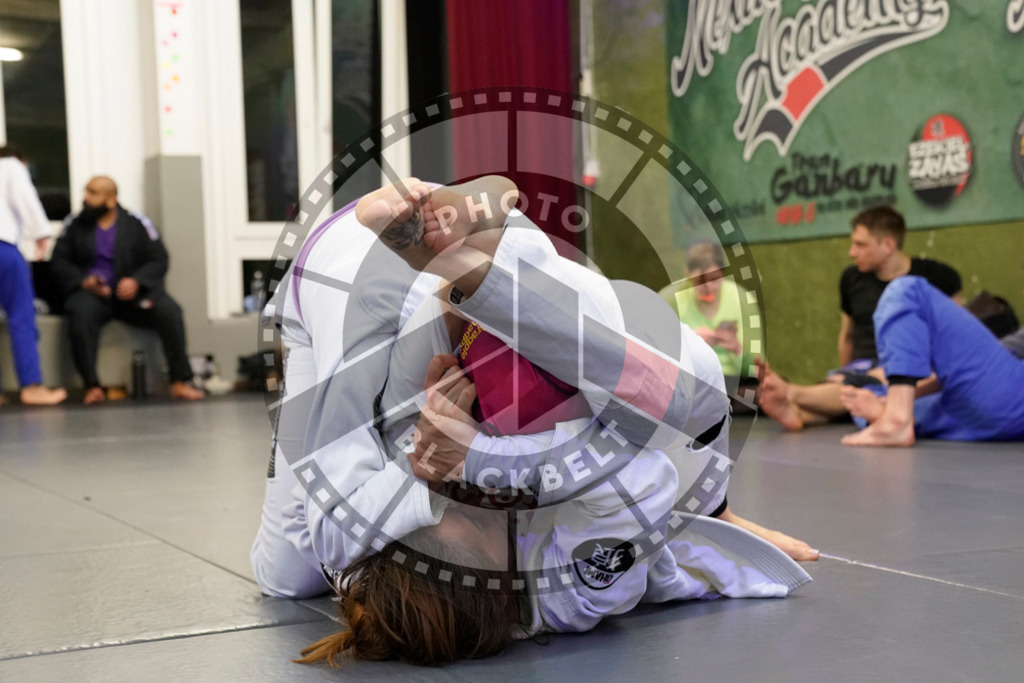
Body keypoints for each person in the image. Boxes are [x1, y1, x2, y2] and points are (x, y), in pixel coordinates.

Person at [251, 177, 812, 665]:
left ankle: (468, 264)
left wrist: (419, 470)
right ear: (503, 588)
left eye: (444, 503)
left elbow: (336, 524)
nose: (466, 496)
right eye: (471, 515)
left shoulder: (348, 538)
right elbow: (639, 469)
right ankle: (471, 266)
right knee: (685, 397)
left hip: (347, 275)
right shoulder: (577, 594)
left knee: (288, 577)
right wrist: (480, 462)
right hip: (471, 263)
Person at [758, 206, 961, 431]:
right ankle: (801, 414)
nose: (852, 252)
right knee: (850, 384)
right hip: (862, 366)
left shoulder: (937, 277)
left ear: (889, 245)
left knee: (871, 382)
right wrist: (846, 373)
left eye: (861, 245)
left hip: (908, 366)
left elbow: (958, 335)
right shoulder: (851, 279)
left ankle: (793, 394)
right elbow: (848, 336)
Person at [48, 176, 204, 404]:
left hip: (131, 296)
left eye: (93, 193)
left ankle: (180, 381)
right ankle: (92, 386)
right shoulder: (75, 224)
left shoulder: (137, 223)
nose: (86, 198)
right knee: (80, 312)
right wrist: (84, 281)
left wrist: (137, 281)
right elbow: (59, 262)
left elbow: (159, 259)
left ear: (111, 200)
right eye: (86, 192)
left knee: (169, 310)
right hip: (94, 296)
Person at [839, 276, 1024, 447]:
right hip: (1006, 415)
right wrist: (896, 398)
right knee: (874, 395)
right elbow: (978, 371)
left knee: (908, 291)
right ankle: (891, 412)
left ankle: (895, 418)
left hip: (1010, 399)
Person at [0, 145, 67, 406]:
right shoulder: (11, 166)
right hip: (3, 248)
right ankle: (31, 386)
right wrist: (41, 232)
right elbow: (24, 197)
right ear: (22, 161)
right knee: (21, 315)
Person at [659, 240, 754, 379]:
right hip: (687, 381)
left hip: (732, 381)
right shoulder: (669, 300)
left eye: (715, 280)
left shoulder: (742, 300)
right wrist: (688, 343)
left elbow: (758, 370)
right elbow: (654, 360)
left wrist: (737, 349)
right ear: (688, 274)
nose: (709, 289)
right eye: (700, 282)